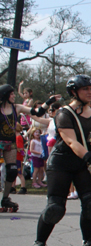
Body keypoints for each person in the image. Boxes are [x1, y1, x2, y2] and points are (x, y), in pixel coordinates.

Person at [30, 75, 91, 246]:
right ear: (74, 92)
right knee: (55, 208)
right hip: (61, 163)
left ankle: (88, 242)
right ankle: (39, 244)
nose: (90, 92)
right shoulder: (64, 113)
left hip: (82, 164)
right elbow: (71, 142)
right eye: (85, 89)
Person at [0, 84, 57, 212]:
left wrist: (49, 101)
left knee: (12, 171)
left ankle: (5, 198)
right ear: (5, 95)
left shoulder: (17, 108)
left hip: (10, 143)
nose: (14, 96)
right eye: (11, 94)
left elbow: (38, 112)